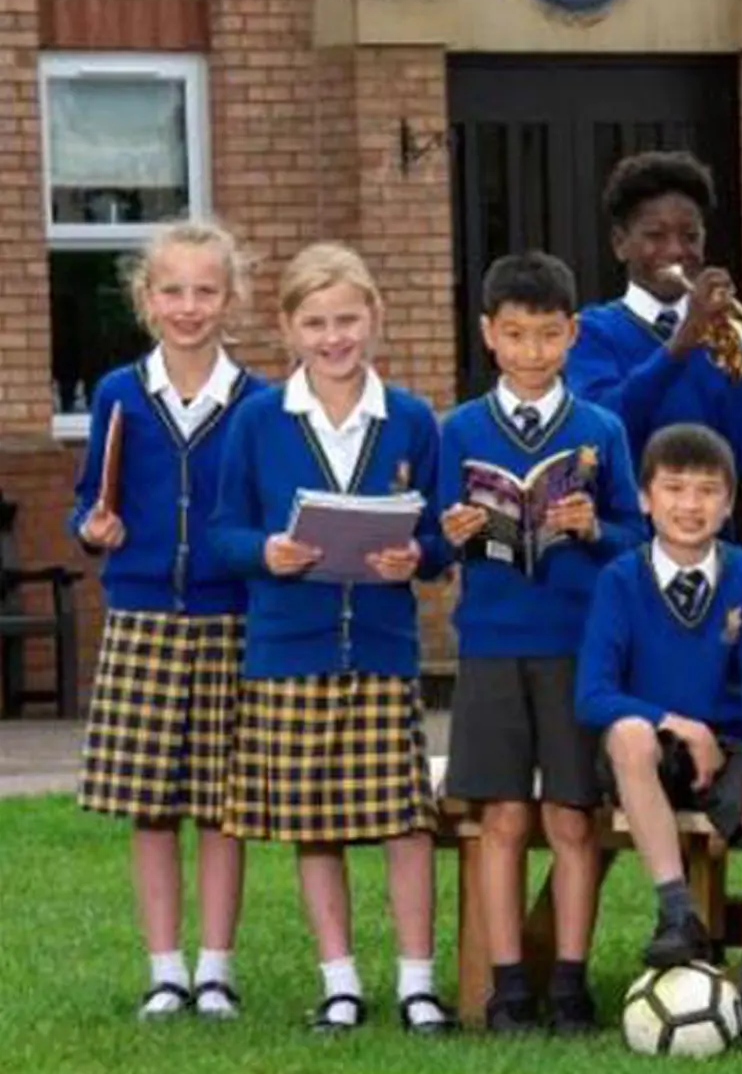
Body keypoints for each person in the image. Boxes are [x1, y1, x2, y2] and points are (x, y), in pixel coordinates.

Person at [210, 243, 454, 1033]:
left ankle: (418, 982)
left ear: (375, 319)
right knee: (314, 822)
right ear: (287, 330)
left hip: (383, 649)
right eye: (315, 322)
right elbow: (223, 534)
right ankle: (340, 981)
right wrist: (266, 553)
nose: (333, 337)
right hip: (288, 650)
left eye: (347, 319)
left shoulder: (412, 419)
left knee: (405, 821)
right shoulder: (257, 420)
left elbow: (443, 537)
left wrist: (419, 555)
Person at [437, 251, 645, 1033]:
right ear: (489, 334)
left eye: (548, 335)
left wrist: (596, 527)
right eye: (516, 335)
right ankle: (506, 985)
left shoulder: (600, 429)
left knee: (569, 816)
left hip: (575, 647)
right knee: (502, 820)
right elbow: (425, 547)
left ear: (573, 336)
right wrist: (449, 532)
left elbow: (634, 539)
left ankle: (569, 981)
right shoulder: (457, 429)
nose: (531, 352)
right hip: (491, 646)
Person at [70, 219, 264, 1021]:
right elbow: (92, 497)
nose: (189, 307)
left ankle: (214, 968)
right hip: (143, 615)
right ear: (147, 300)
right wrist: (93, 529)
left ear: (231, 299)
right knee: (151, 804)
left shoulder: (258, 401)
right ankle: (165, 969)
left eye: (205, 291)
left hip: (231, 619)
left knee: (223, 802)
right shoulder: (120, 393)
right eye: (173, 291)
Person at [573, 424, 742, 1047]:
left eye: (707, 491)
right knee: (627, 733)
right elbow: (592, 692)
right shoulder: (620, 579)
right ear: (645, 498)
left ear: (729, 503)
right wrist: (676, 722)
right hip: (646, 755)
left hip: (727, 750)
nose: (690, 504)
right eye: (674, 488)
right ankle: (678, 913)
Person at [565, 150, 742, 508]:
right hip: (624, 545)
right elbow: (600, 435)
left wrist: (734, 369)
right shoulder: (592, 331)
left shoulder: (732, 337)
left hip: (713, 544)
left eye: (690, 236)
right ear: (620, 243)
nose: (676, 250)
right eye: (656, 235)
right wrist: (680, 345)